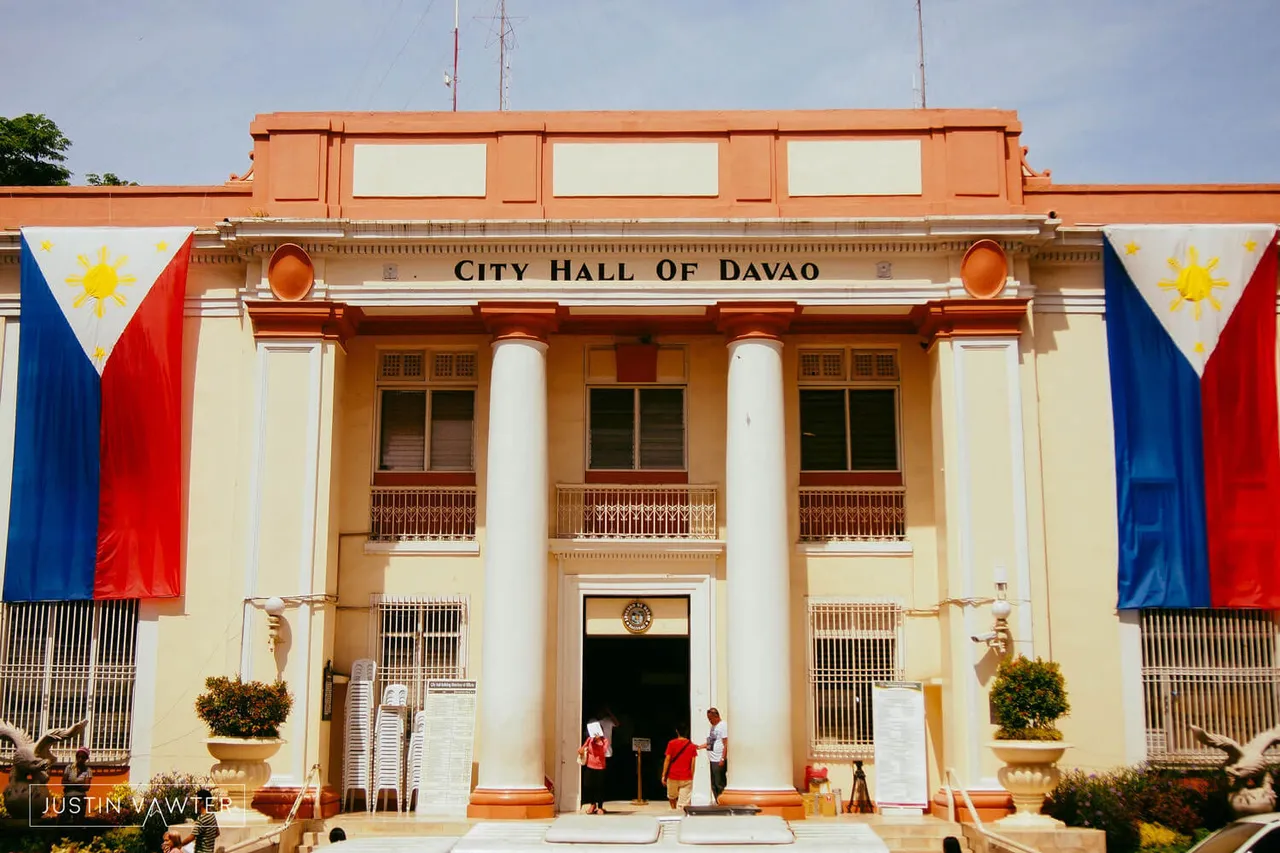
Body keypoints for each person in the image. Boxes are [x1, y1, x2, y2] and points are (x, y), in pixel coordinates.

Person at [660, 725, 696, 810]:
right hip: (686, 777)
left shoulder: (671, 743)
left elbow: (667, 760)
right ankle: (680, 816)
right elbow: (693, 763)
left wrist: (663, 775)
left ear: (677, 731)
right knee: (683, 804)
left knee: (672, 797)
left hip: (672, 776)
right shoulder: (692, 746)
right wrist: (691, 776)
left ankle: (673, 811)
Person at [696, 708, 728, 803]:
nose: (709, 721)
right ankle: (718, 801)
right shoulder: (713, 727)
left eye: (711, 718)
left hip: (718, 759)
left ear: (716, 716)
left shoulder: (723, 726)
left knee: (719, 783)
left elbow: (726, 743)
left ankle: (723, 802)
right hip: (712, 759)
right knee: (713, 784)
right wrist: (700, 746)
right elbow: (710, 742)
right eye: (708, 719)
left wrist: (723, 758)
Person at [579, 721, 610, 814]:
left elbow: (603, 751)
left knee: (599, 787)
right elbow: (582, 748)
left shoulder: (605, 741)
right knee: (589, 786)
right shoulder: (589, 740)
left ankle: (600, 806)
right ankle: (592, 804)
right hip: (590, 765)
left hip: (600, 767)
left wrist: (598, 741)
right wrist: (581, 750)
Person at [178, 788, 219, 853]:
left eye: (196, 800)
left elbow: (192, 837)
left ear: (202, 802)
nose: (195, 802)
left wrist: (179, 845)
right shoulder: (212, 815)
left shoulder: (202, 818)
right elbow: (217, 833)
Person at [61, 746, 92, 822]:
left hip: (80, 798)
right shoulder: (69, 768)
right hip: (68, 797)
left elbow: (86, 787)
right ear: (76, 757)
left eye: (83, 757)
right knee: (64, 820)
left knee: (78, 821)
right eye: (79, 756)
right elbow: (63, 782)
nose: (80, 759)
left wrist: (70, 785)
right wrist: (79, 783)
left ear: (86, 759)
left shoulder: (88, 770)